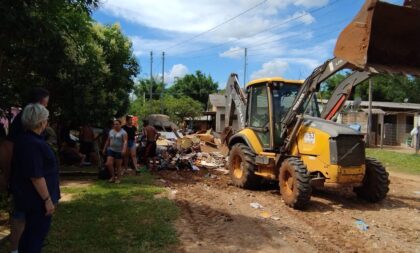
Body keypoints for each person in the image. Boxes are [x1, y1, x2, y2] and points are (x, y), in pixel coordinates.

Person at [10, 103, 60, 253]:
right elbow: (36, 176)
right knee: (35, 237)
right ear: (41, 121)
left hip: (31, 198)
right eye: (46, 118)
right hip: (36, 200)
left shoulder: (27, 140)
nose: (47, 121)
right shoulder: (32, 143)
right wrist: (47, 200)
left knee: (30, 236)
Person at [7, 88, 49, 253]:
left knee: (27, 216)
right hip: (24, 181)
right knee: (21, 213)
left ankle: (24, 245)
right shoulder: (27, 134)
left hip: (27, 182)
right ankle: (16, 249)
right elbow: (9, 147)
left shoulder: (31, 134)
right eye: (46, 104)